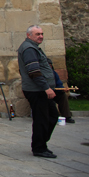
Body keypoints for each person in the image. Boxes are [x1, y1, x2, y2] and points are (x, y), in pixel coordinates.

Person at [18, 25, 60, 158]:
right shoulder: (29, 49)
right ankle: (39, 148)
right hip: (37, 90)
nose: (41, 36)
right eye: (37, 34)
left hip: (39, 89)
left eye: (41, 34)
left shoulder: (33, 48)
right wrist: (46, 88)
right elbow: (33, 71)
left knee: (52, 116)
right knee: (42, 119)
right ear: (29, 35)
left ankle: (41, 143)